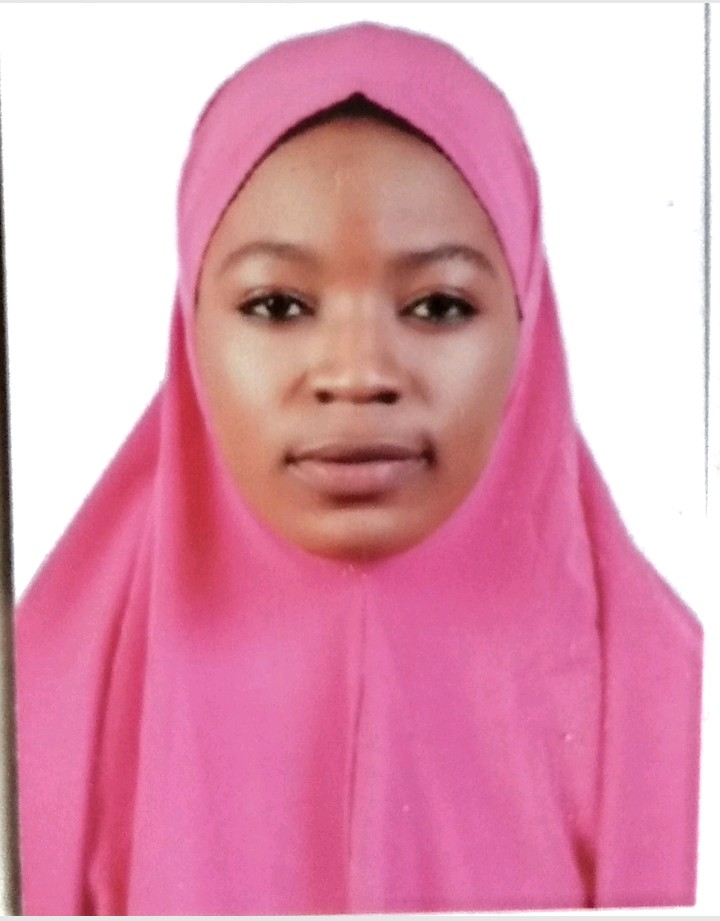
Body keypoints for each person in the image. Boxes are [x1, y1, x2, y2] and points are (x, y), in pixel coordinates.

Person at [14, 22, 702, 916]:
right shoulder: (40, 700)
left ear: (529, 324)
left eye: (438, 305)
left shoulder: (680, 707)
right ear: (190, 325)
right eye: (277, 304)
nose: (357, 372)